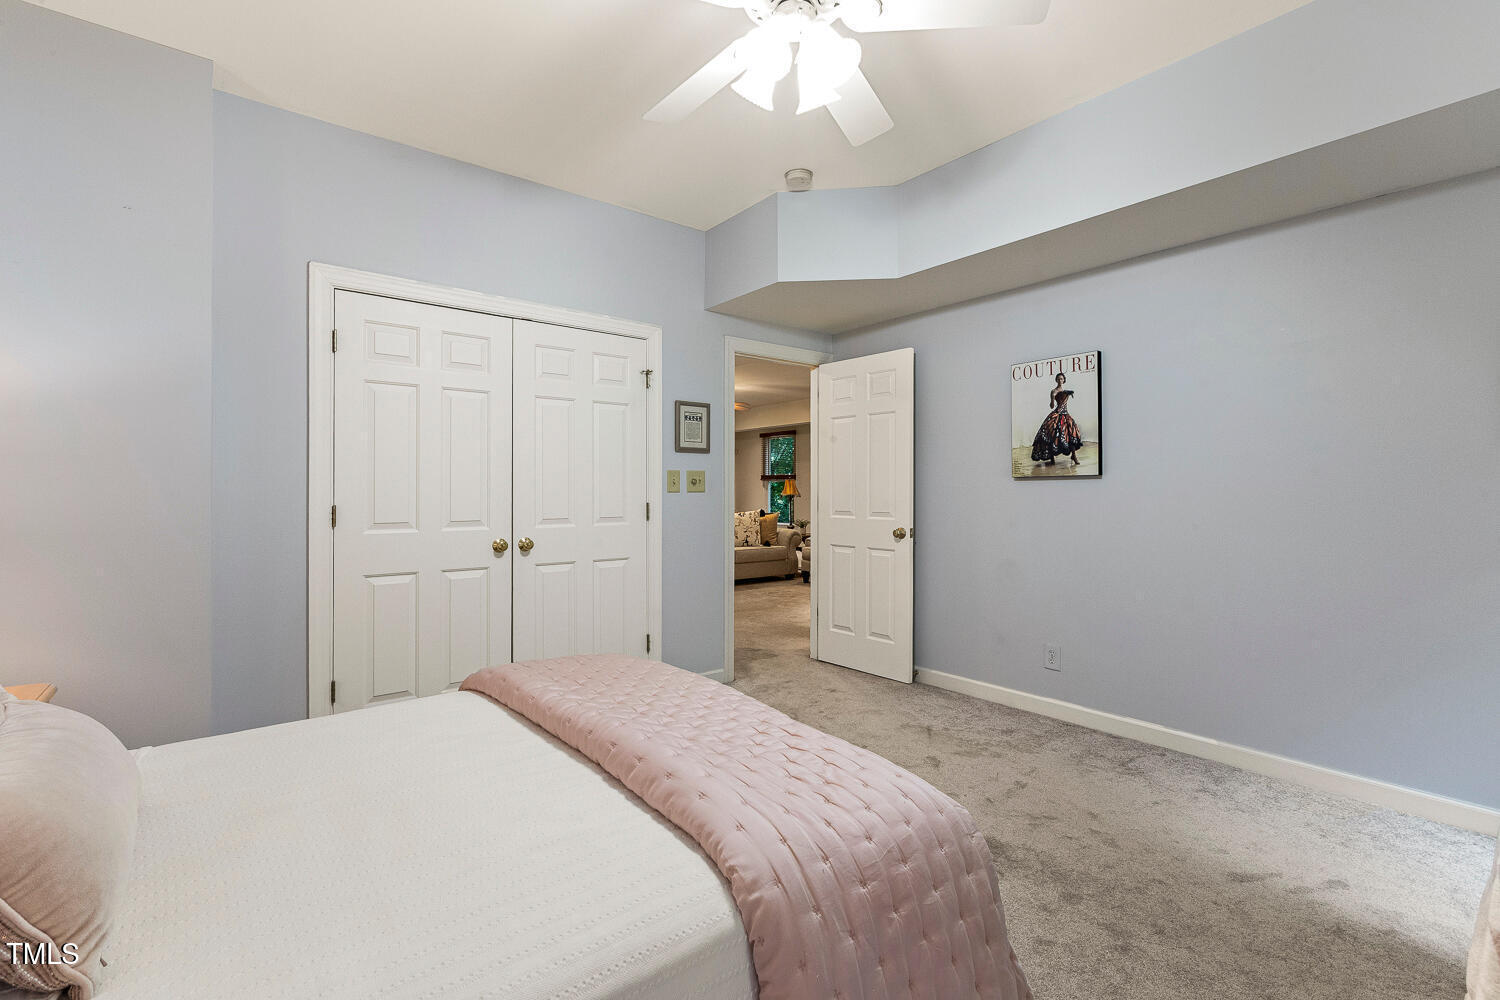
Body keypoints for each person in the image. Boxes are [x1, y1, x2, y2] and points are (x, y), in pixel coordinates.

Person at [1030, 372, 1084, 466]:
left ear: (1064, 380)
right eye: (1058, 379)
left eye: (1062, 379)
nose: (1060, 380)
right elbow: (1051, 406)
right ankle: (1052, 458)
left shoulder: (1066, 391)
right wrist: (1053, 397)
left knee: (1071, 433)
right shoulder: (1053, 391)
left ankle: (1074, 456)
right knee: (1051, 434)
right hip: (1056, 414)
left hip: (1065, 415)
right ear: (1056, 380)